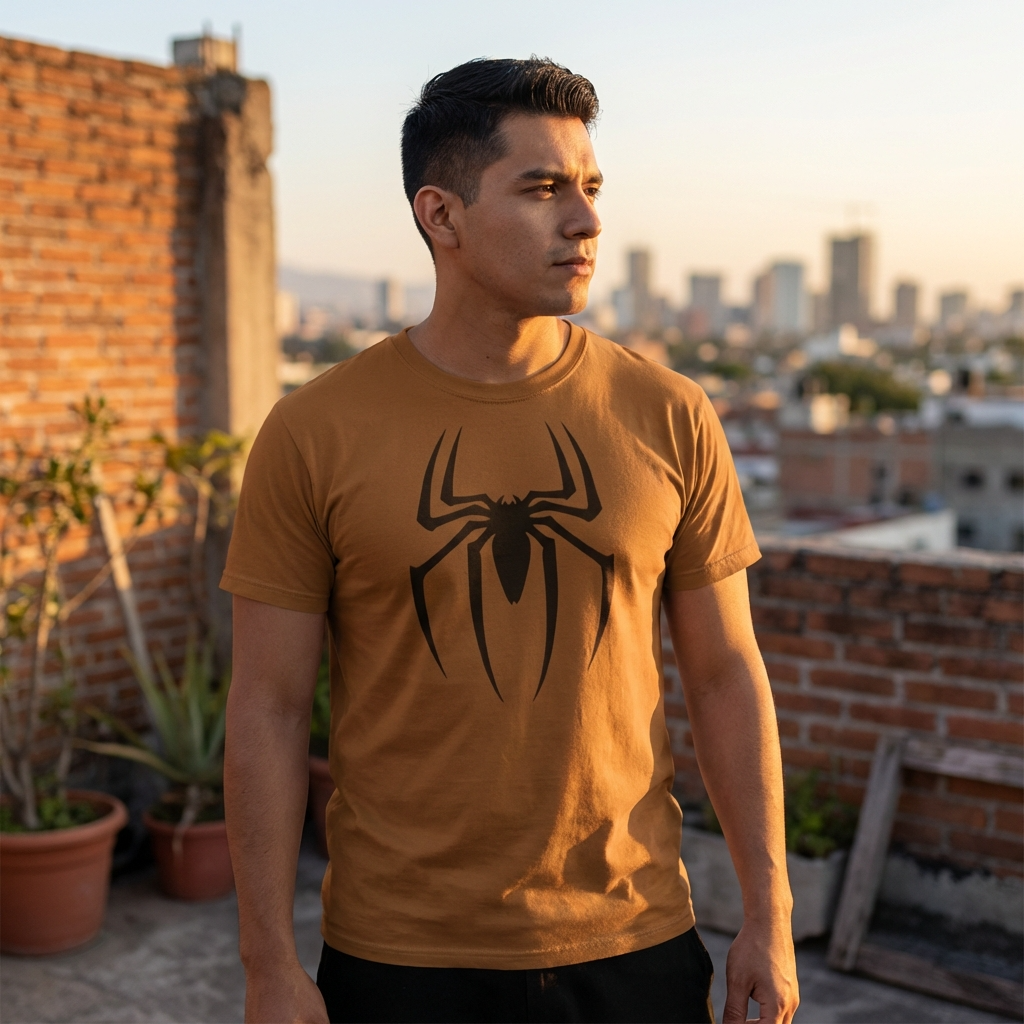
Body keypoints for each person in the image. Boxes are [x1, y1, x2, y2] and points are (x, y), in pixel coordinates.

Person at [222, 58, 799, 1024]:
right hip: (399, 949)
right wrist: (267, 967)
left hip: (634, 933)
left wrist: (770, 917)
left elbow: (727, 673)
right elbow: (269, 708)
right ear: (440, 215)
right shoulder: (315, 430)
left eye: (591, 187)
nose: (586, 221)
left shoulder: (667, 412)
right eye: (542, 189)